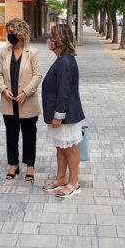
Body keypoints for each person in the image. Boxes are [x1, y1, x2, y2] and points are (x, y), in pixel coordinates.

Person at [0, 18, 42, 181]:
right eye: (8, 32)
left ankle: (30, 166)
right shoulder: (4, 52)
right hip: (9, 102)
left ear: (21, 33)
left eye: (12, 32)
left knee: (29, 135)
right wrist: (4, 89)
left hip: (27, 101)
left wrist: (26, 92)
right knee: (11, 134)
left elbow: (37, 75)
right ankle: (13, 164)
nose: (10, 35)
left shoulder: (33, 53)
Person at [42, 24, 85, 198]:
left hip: (66, 114)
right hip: (58, 114)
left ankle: (73, 182)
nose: (48, 40)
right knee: (61, 146)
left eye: (51, 37)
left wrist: (58, 116)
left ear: (58, 41)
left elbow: (64, 91)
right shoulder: (61, 59)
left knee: (69, 148)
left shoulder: (66, 62)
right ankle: (60, 178)